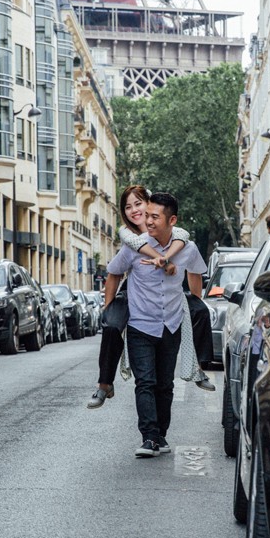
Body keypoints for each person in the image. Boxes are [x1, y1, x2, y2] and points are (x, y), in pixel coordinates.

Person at [87, 184, 213, 409]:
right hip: (132, 290)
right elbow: (119, 267)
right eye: (127, 207)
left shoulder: (171, 229)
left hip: (168, 293)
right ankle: (104, 383)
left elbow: (182, 237)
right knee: (111, 325)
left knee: (201, 311)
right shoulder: (128, 235)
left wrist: (170, 262)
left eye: (138, 204)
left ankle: (199, 368)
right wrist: (164, 261)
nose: (134, 211)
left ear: (149, 204)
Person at [104, 191, 207, 458]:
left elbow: (196, 275)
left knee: (165, 385)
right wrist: (109, 308)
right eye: (146, 215)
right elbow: (114, 272)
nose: (147, 221)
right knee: (145, 382)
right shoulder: (134, 247)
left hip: (171, 325)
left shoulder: (187, 248)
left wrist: (194, 302)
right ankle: (148, 437)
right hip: (140, 325)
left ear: (172, 220)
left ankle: (161, 434)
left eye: (154, 217)